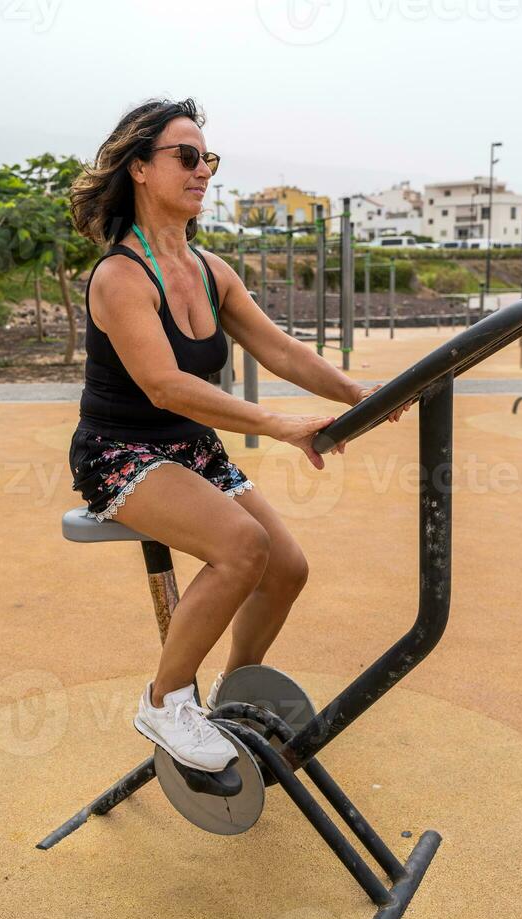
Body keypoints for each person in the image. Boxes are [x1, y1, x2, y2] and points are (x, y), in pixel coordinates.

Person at [68, 97, 412, 774]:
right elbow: (165, 386)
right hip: (123, 453)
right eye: (187, 157)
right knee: (241, 547)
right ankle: (166, 701)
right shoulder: (119, 276)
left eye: (209, 159)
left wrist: (359, 393)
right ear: (139, 168)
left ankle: (226, 699)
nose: (204, 171)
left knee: (286, 568)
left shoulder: (210, 268)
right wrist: (282, 425)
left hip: (189, 450)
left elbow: (281, 351)